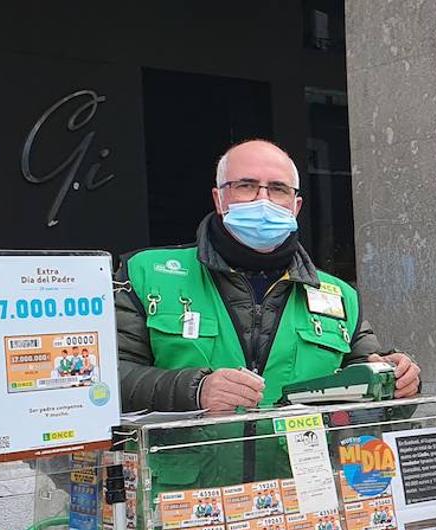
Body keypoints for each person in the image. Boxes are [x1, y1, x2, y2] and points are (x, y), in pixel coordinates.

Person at [115, 139, 419, 413]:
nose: (263, 200)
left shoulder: (340, 295)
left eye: (278, 189)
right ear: (219, 199)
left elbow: (367, 379)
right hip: (190, 471)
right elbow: (104, 382)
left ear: (296, 205)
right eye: (246, 186)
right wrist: (195, 391)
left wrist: (399, 379)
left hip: (299, 471)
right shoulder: (147, 274)